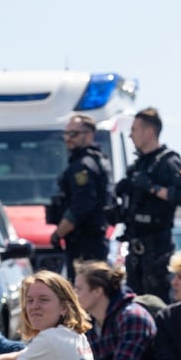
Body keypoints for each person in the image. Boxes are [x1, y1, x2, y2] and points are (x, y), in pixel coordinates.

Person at [114, 107, 181, 302]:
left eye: (134, 129)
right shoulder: (137, 165)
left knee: (157, 304)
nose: (130, 135)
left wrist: (154, 189)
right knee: (135, 303)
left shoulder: (169, 162)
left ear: (149, 131)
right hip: (134, 249)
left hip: (157, 251)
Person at [51, 114, 111, 283]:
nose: (67, 139)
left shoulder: (82, 166)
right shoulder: (94, 160)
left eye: (73, 134)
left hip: (84, 242)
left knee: (84, 289)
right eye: (66, 134)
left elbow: (82, 204)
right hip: (91, 240)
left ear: (89, 135)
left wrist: (58, 233)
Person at [72, 260, 156, 360]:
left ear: (97, 291)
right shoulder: (90, 325)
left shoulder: (132, 317)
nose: (74, 295)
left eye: (78, 289)